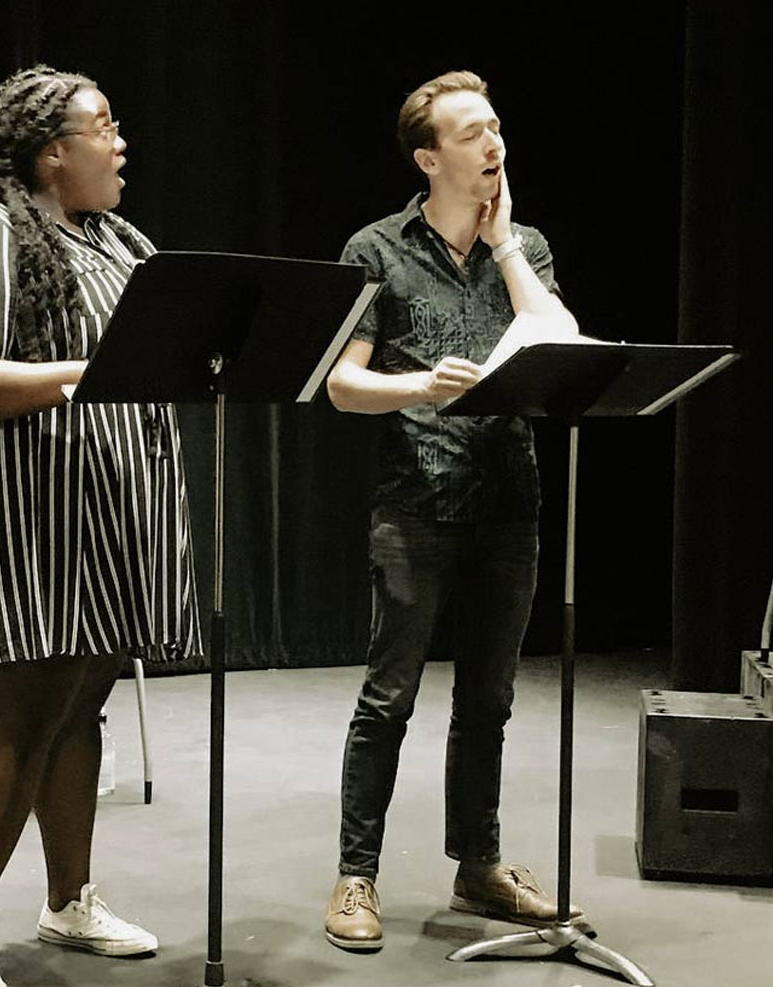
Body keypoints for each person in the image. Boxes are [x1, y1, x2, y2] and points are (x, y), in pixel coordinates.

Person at [0, 66, 201, 987]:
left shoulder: (117, 239)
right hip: (24, 515)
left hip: (108, 513)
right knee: (23, 709)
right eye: (105, 128)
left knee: (83, 701)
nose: (121, 144)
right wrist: (86, 372)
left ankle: (67, 899)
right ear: (53, 151)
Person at [324, 70, 582, 951]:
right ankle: (358, 875)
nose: (493, 144)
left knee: (490, 700)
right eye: (472, 133)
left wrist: (507, 247)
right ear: (430, 157)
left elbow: (564, 345)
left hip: (511, 504)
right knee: (388, 696)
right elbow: (341, 384)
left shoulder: (529, 247)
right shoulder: (378, 249)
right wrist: (416, 385)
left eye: (496, 127)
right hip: (418, 503)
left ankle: (479, 864)